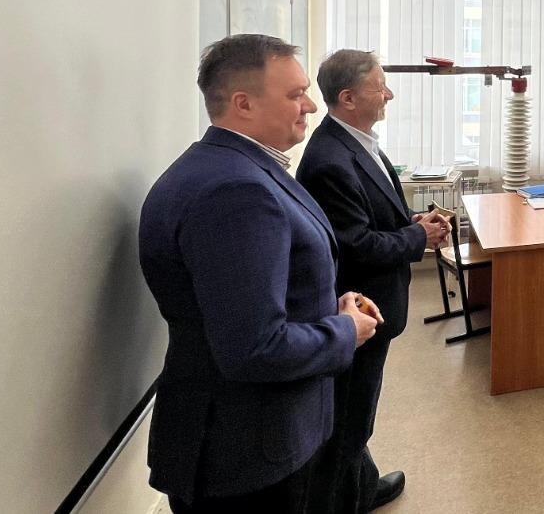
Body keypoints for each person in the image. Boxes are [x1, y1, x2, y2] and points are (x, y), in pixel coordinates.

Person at [139, 35, 379, 513]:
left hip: (252, 438)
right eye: (295, 94)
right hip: (250, 449)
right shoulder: (236, 192)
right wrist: (344, 331)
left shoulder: (230, 166)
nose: (311, 105)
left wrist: (328, 307)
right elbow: (254, 348)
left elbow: (252, 298)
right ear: (243, 104)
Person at [297, 51, 450, 514]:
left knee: (356, 411)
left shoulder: (360, 143)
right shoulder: (330, 160)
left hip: (375, 307)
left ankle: (360, 486)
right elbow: (357, 246)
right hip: (359, 309)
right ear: (347, 98)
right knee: (348, 418)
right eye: (380, 86)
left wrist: (411, 222)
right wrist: (418, 237)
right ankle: (342, 501)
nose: (389, 94)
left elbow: (372, 216)